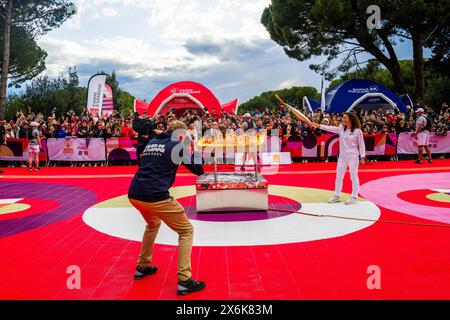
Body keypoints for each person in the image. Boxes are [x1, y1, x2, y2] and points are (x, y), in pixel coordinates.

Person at [128, 120, 206, 296]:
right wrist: (193, 146)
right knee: (186, 230)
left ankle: (143, 266)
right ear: (180, 134)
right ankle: (185, 280)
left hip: (135, 193)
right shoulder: (178, 146)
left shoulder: (153, 142)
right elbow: (199, 169)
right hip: (156, 195)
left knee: (153, 224)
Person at [311, 112, 366, 205]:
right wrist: (318, 125)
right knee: (339, 176)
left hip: (353, 157)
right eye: (343, 118)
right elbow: (329, 128)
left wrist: (362, 156)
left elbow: (361, 145)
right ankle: (337, 195)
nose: (343, 119)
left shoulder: (357, 131)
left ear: (351, 119)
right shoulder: (341, 129)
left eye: (345, 118)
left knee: (353, 176)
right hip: (342, 157)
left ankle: (354, 196)